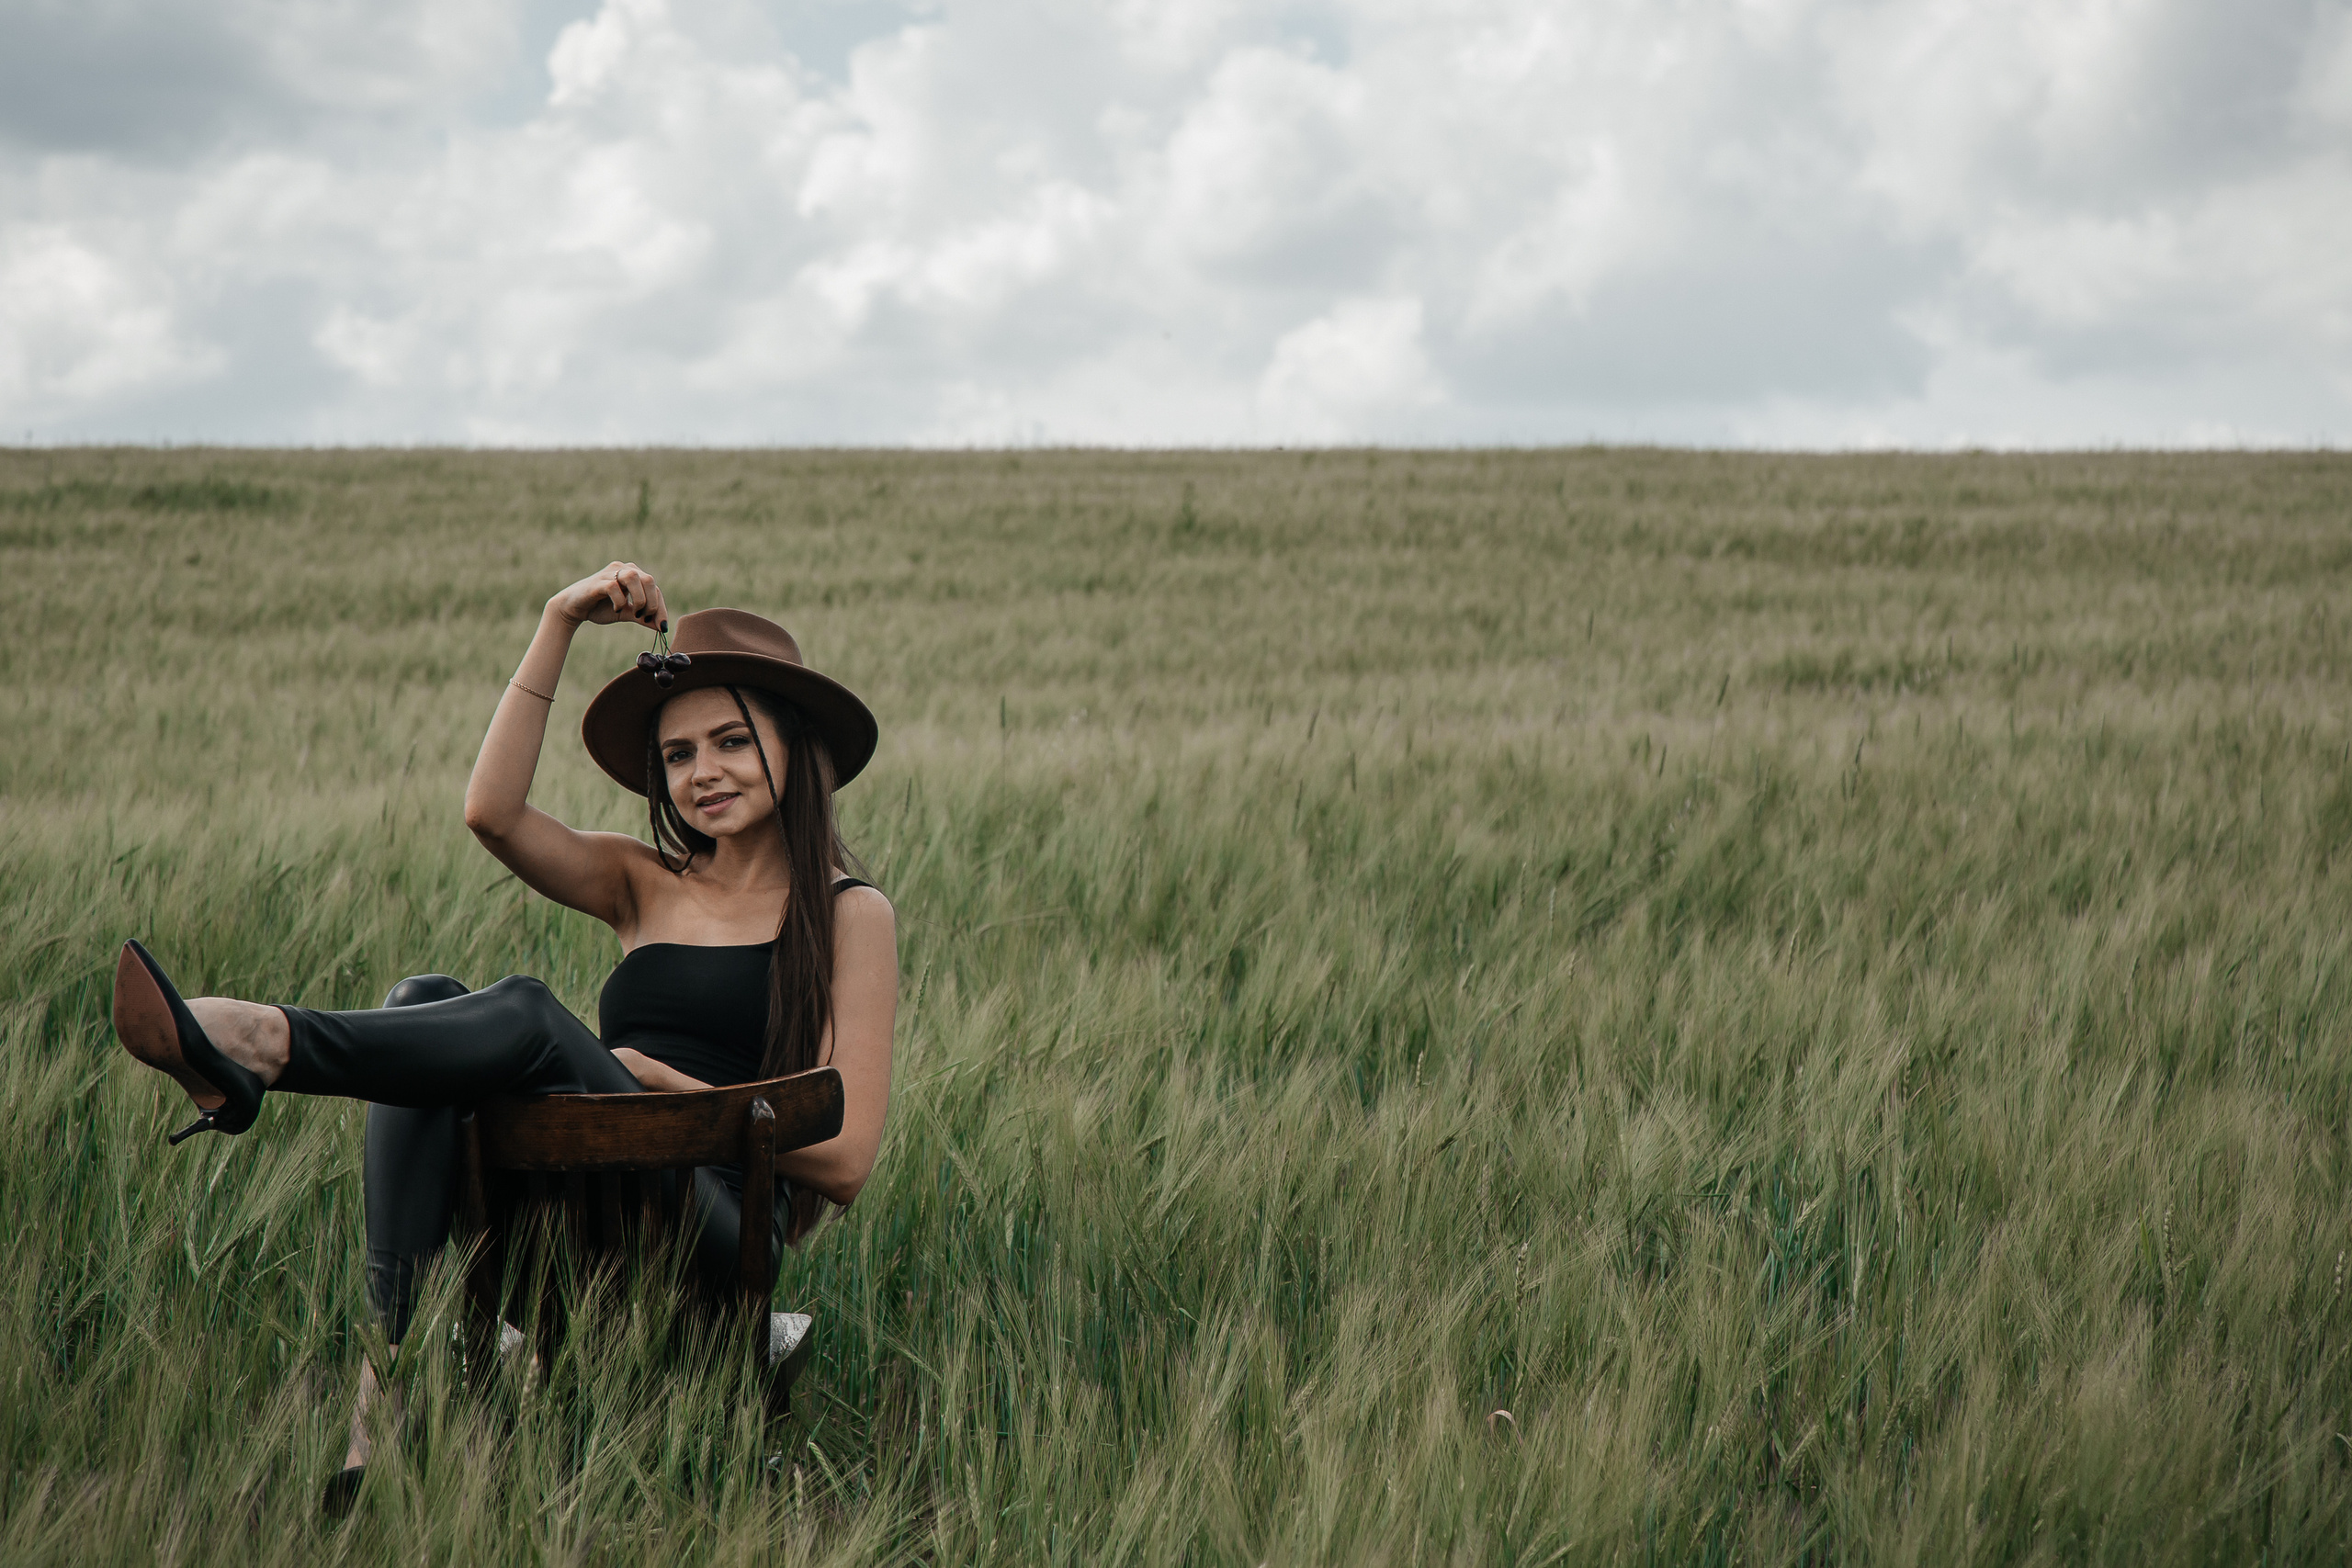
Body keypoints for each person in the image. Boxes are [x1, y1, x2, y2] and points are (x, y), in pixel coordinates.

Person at [107, 563, 898, 1511]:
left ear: (794, 745)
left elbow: (847, 1161)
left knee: (524, 1009)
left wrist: (663, 1085)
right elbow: (492, 813)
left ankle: (262, 1048)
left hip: (708, 1243)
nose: (702, 773)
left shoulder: (850, 914)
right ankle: (384, 1395)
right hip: (567, 1221)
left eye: (731, 741)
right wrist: (558, 619)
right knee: (422, 995)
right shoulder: (643, 882)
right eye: (678, 755)